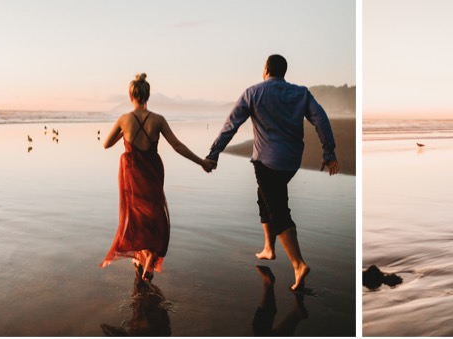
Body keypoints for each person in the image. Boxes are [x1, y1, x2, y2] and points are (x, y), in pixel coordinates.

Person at [205, 54, 339, 291]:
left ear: (266, 70)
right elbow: (321, 119)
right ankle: (269, 247)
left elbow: (231, 124)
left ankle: (298, 264)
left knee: (278, 209)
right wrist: (329, 153)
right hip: (291, 162)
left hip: (267, 162)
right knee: (264, 197)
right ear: (283, 72)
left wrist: (214, 152)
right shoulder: (301, 93)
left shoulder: (253, 93)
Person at [100, 73, 212, 281]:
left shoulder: (124, 119)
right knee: (154, 213)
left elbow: (106, 144)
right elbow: (177, 146)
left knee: (137, 215)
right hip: (152, 171)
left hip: (132, 173)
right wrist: (202, 162)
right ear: (147, 95)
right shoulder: (158, 120)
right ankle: (149, 257)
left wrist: (124, 134)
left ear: (131, 95)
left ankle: (141, 256)